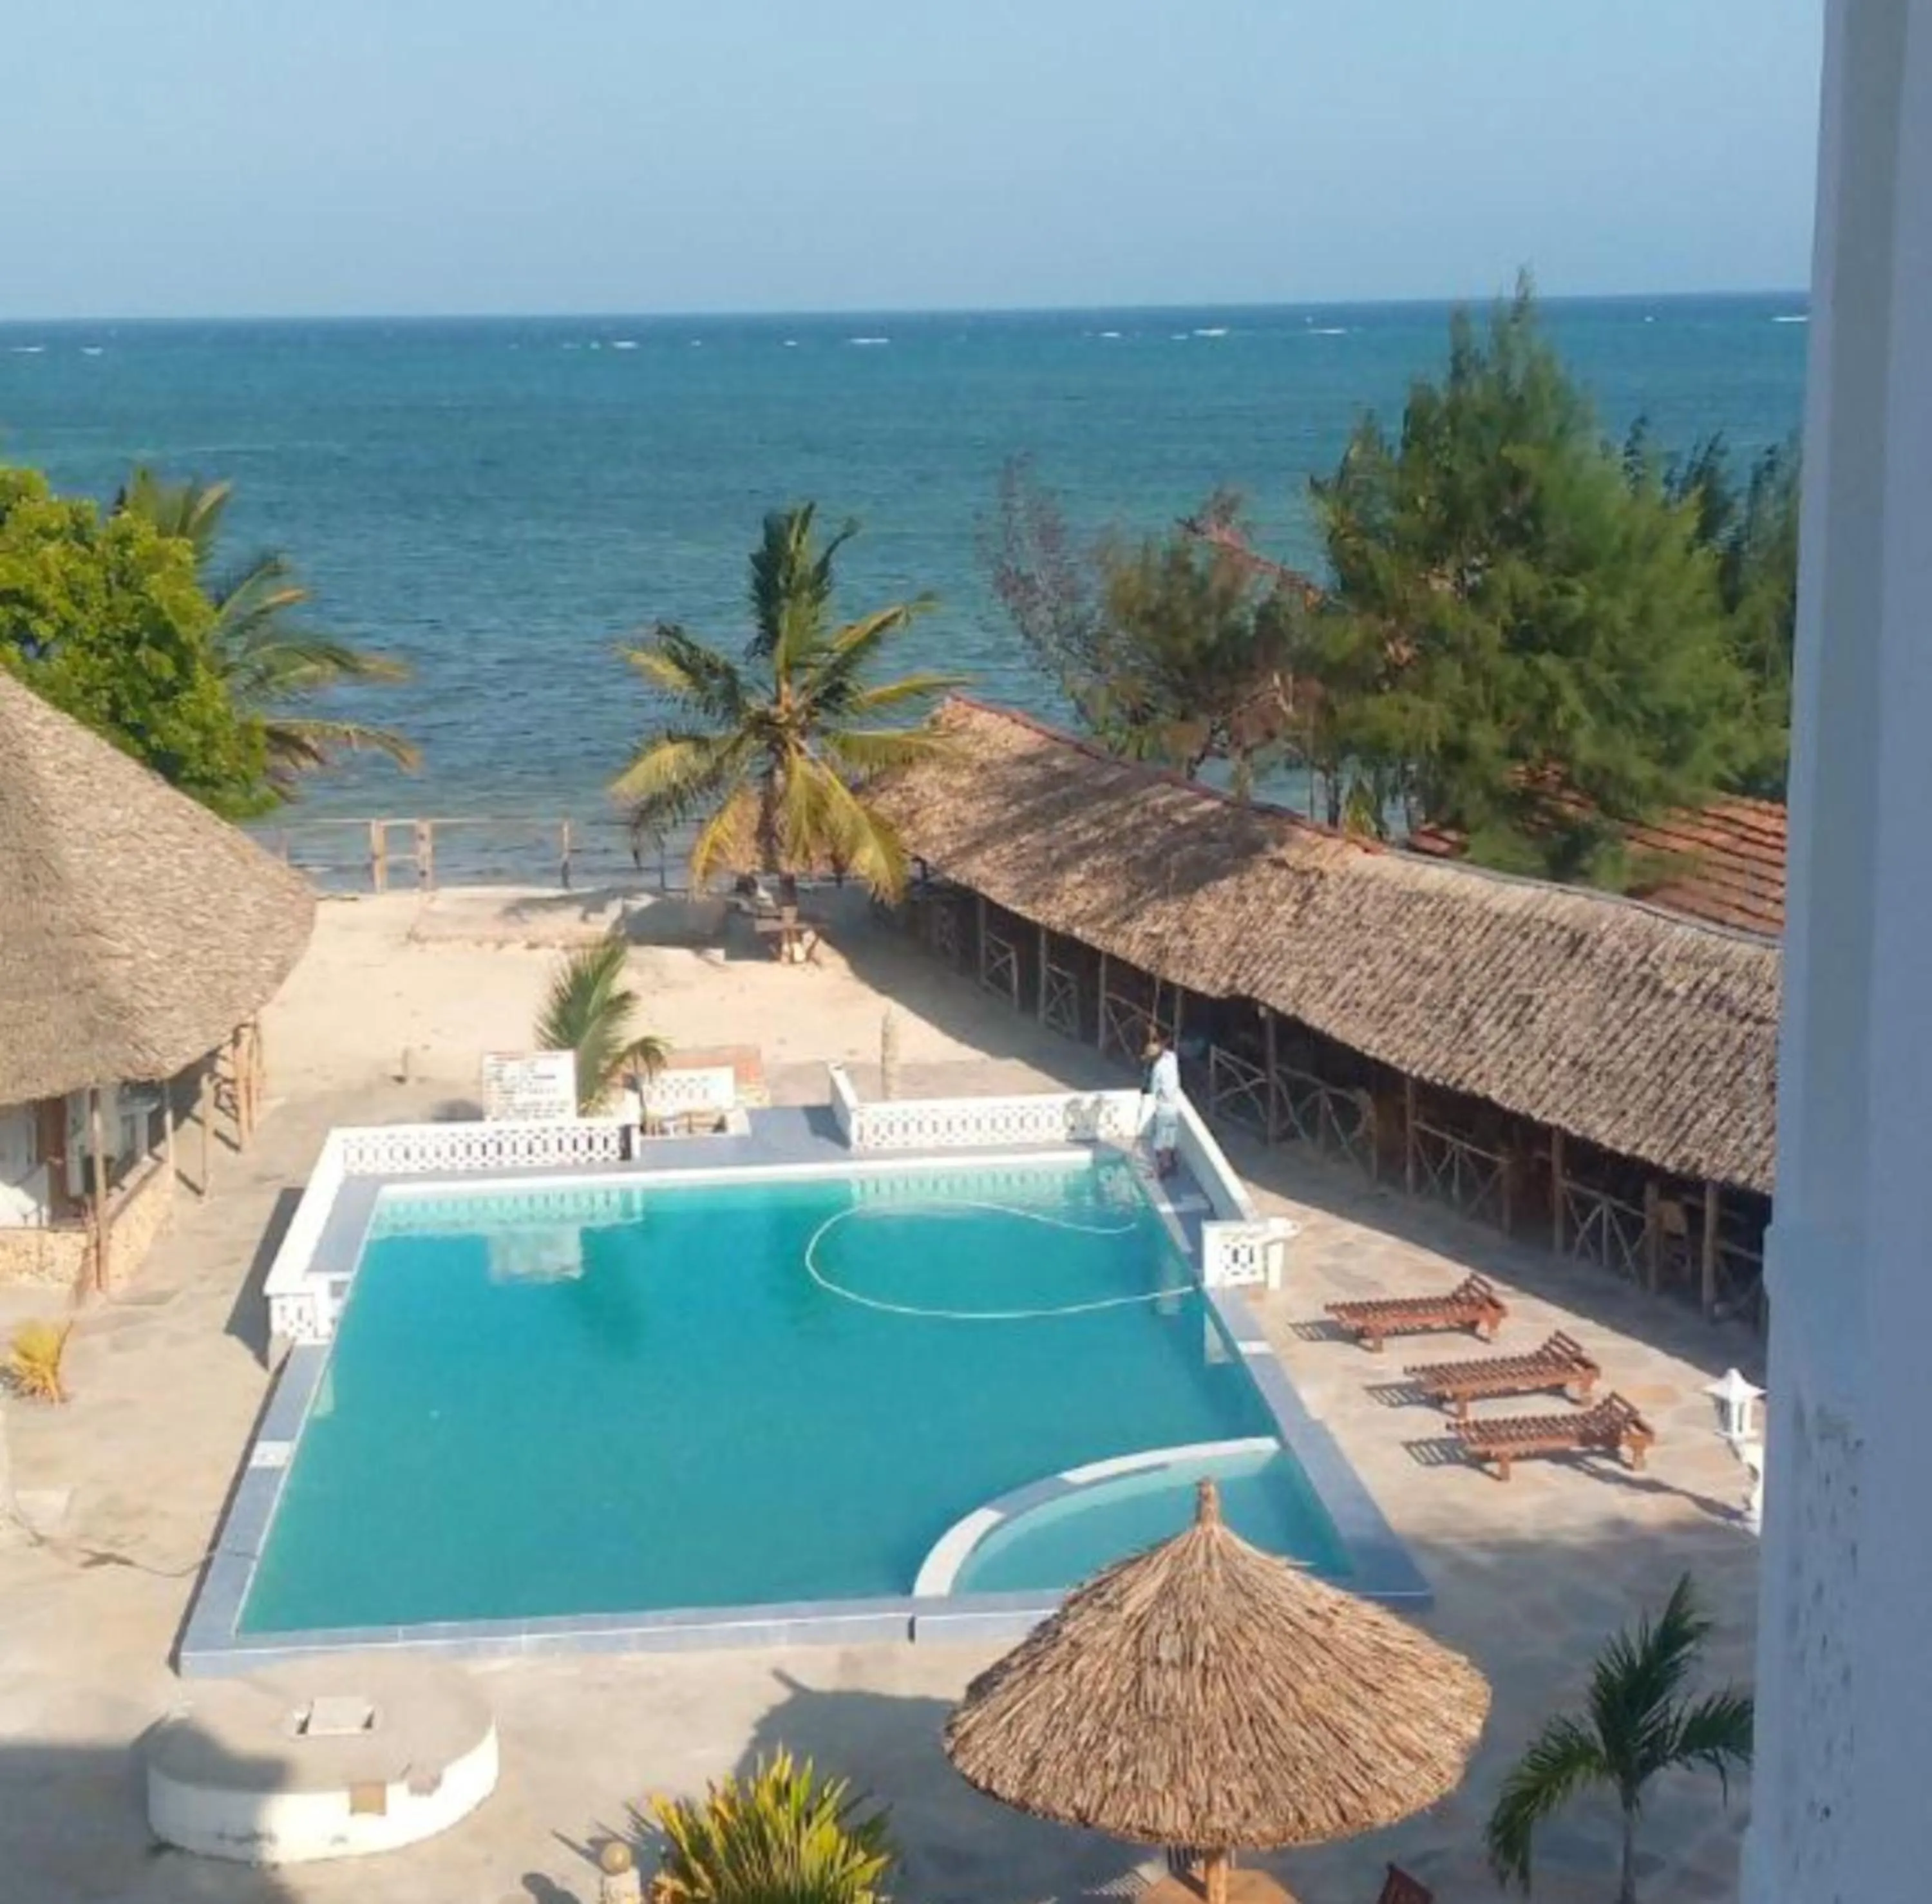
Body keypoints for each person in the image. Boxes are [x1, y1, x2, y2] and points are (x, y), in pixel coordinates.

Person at [1143, 1033, 1182, 1178]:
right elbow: (1166, 1050)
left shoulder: (1157, 1069)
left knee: (1159, 1141)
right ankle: (1172, 1166)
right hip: (1175, 1107)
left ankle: (1160, 1170)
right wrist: (1156, 1037)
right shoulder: (1172, 1059)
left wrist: (1145, 1088)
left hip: (1164, 1108)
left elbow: (1153, 1090)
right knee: (1171, 1138)